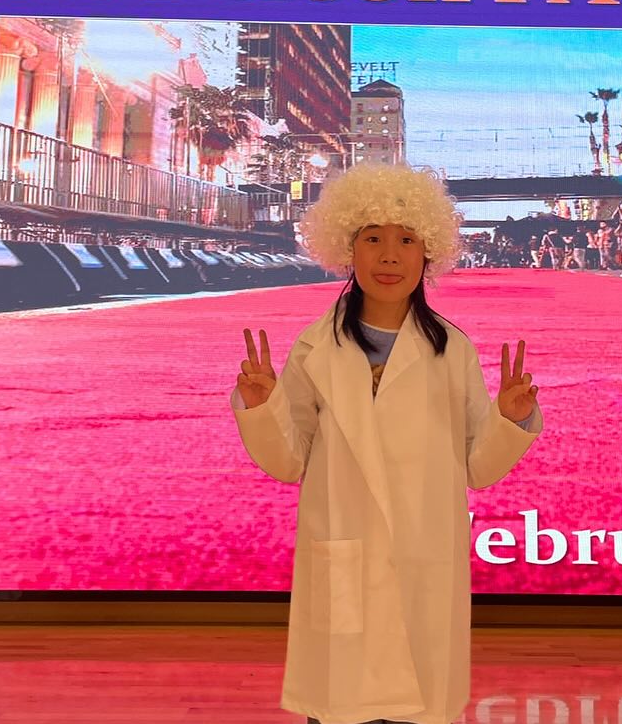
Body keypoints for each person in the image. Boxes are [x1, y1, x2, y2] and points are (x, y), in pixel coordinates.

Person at [231, 163, 544, 724]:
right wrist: (262, 406)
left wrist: (509, 419)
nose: (390, 256)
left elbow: (477, 467)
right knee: (341, 703)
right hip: (344, 544)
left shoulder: (452, 350)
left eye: (406, 240)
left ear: (429, 253)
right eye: (373, 239)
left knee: (416, 698)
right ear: (347, 250)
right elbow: (289, 461)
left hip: (424, 551)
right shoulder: (315, 348)